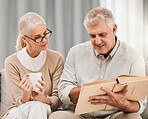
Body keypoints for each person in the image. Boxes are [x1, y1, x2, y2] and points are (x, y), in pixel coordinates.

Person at [49, 7, 146, 119]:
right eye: (92, 36)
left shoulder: (133, 57)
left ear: (114, 29)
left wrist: (122, 103)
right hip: (80, 115)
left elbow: (140, 105)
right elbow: (63, 91)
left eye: (102, 34)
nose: (97, 41)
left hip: (114, 115)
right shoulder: (76, 52)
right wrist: (86, 90)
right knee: (57, 117)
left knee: (133, 117)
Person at [1, 12, 64, 119]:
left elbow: (58, 99)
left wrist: (41, 98)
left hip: (44, 109)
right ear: (25, 39)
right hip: (19, 112)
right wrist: (26, 94)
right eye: (37, 37)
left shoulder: (56, 58)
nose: (44, 40)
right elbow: (18, 102)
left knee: (39, 106)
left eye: (45, 33)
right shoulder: (11, 62)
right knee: (37, 107)